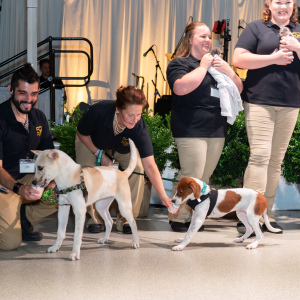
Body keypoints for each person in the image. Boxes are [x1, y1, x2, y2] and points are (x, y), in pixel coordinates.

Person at [166, 22, 243, 232]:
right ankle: (177, 217)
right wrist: (202, 67)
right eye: (202, 36)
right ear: (190, 40)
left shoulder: (218, 66)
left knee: (203, 179)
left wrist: (229, 71)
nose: (208, 40)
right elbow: (180, 88)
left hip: (216, 129)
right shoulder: (180, 64)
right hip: (191, 128)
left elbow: (239, 89)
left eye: (209, 37)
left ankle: (194, 217)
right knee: (190, 174)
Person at [233, 0, 300, 234]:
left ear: (294, 5)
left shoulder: (298, 32)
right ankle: (248, 216)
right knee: (260, 156)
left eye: (288, 2)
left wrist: (297, 46)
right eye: (278, 2)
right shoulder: (256, 28)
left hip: (291, 104)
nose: (283, 6)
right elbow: (238, 59)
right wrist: (273, 58)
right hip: (260, 101)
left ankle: (265, 214)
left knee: (275, 160)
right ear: (269, 5)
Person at [75, 86, 172, 234]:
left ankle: (127, 218)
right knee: (88, 172)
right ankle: (94, 219)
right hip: (90, 142)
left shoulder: (138, 126)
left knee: (138, 169)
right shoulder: (99, 111)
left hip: (120, 146)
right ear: (118, 108)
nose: (135, 120)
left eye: (139, 114)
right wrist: (99, 155)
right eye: (130, 115)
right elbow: (82, 133)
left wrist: (163, 195)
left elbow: (149, 165)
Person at [0, 63, 57, 250]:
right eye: (22, 93)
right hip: (5, 182)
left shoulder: (38, 118)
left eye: (34, 94)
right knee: (10, 244)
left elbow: (49, 156)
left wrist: (52, 181)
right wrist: (18, 188)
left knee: (65, 190)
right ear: (10, 90)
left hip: (27, 179)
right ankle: (8, 213)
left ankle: (21, 215)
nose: (29, 99)